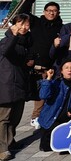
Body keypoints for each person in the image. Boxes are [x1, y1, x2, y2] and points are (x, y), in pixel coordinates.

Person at [19, 0, 63, 131]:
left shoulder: (60, 27)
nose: (52, 13)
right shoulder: (36, 22)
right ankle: (32, 117)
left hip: (49, 67)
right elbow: (23, 12)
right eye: (49, 11)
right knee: (29, 93)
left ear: (58, 12)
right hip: (32, 65)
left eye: (54, 11)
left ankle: (37, 117)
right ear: (44, 12)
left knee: (44, 94)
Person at [0, 14, 31, 161]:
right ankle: (2, 149)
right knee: (4, 119)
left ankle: (10, 142)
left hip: (19, 85)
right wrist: (13, 34)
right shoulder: (6, 40)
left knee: (15, 118)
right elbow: (6, 51)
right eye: (21, 24)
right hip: (6, 85)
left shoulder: (24, 43)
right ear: (14, 25)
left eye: (26, 24)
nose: (24, 27)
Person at [38, 60, 71, 152]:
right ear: (61, 71)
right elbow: (43, 95)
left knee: (66, 146)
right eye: (66, 68)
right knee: (47, 147)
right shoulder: (55, 83)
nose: (69, 70)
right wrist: (48, 79)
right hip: (50, 119)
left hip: (66, 119)